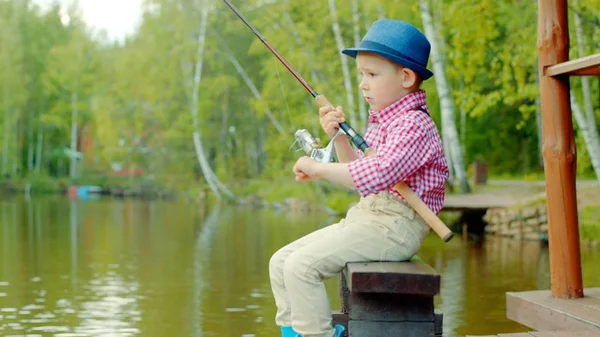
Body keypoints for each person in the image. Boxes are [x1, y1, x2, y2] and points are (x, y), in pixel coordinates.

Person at [269, 19, 449, 337]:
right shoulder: (384, 120)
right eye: (361, 75)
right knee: (281, 262)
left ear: (406, 77)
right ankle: (296, 332)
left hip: (396, 228)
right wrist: (338, 137)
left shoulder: (413, 125)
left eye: (372, 75)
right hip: (368, 217)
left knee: (302, 267)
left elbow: (376, 174)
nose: (363, 84)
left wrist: (319, 169)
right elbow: (360, 177)